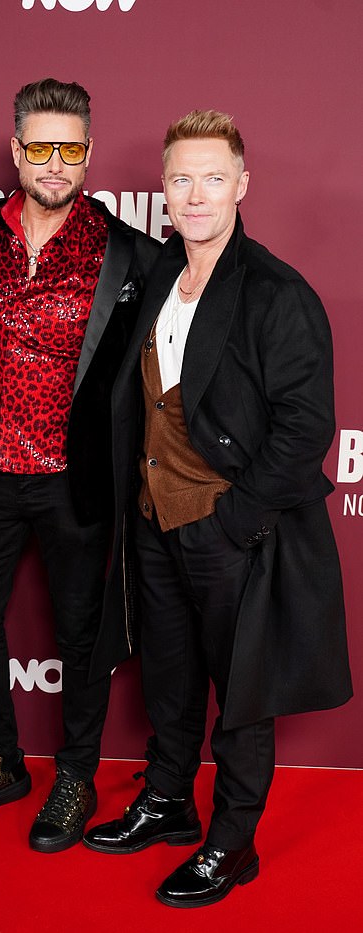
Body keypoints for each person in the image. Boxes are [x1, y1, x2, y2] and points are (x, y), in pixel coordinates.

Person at [84, 110, 352, 906]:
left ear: (242, 184)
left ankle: (232, 842)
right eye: (180, 178)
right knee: (168, 679)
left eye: (211, 177)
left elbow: (308, 427)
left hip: (231, 531)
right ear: (163, 190)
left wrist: (236, 523)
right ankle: (168, 802)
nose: (195, 194)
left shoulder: (277, 293)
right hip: (154, 522)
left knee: (241, 697)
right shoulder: (162, 273)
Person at [0, 77, 159, 852]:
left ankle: (75, 773)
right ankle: (0, 759)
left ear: (88, 152)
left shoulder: (128, 251)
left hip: (74, 478)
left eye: (69, 148)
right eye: (39, 147)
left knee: (81, 634)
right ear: (16, 148)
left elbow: (199, 311)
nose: (53, 163)